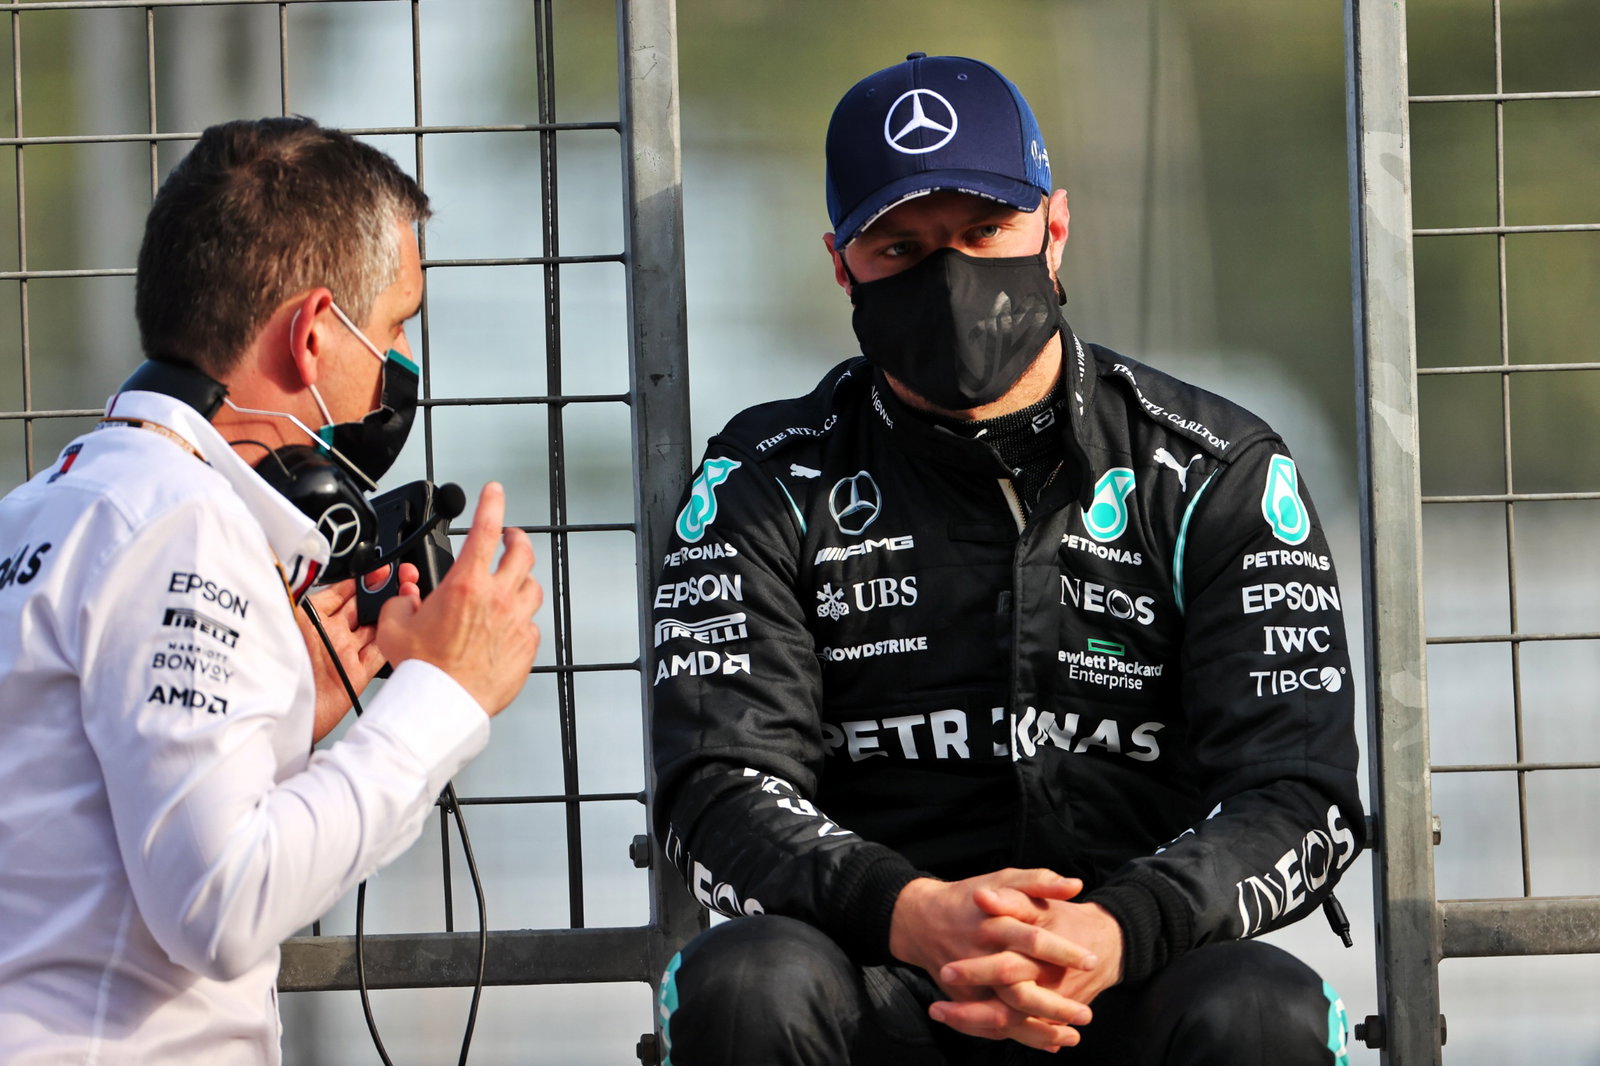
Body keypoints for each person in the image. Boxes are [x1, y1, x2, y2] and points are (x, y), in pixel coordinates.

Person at [649, 53, 1365, 1064]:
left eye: (984, 232)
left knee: (1261, 1009)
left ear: (1054, 228)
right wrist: (911, 913)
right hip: (879, 980)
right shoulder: (763, 478)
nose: (950, 276)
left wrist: (1112, 930)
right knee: (745, 985)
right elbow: (713, 785)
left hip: (1131, 975)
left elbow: (1301, 789)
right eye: (901, 246)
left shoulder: (1213, 469)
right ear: (839, 261)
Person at [0, 117, 542, 1065]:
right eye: (393, 325)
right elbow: (220, 903)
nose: (398, 360)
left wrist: (291, 720)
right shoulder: (189, 529)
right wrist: (443, 695)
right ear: (313, 332)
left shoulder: (40, 508)